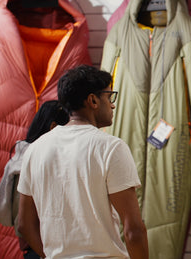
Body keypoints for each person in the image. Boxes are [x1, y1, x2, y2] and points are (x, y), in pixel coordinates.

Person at [17, 65, 148, 259]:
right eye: (108, 96)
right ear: (93, 100)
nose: (112, 105)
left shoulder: (35, 149)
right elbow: (133, 231)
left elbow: (24, 225)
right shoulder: (111, 148)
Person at [0, 100, 69, 259]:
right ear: (53, 127)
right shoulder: (26, 163)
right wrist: (47, 255)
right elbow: (23, 224)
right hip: (41, 250)